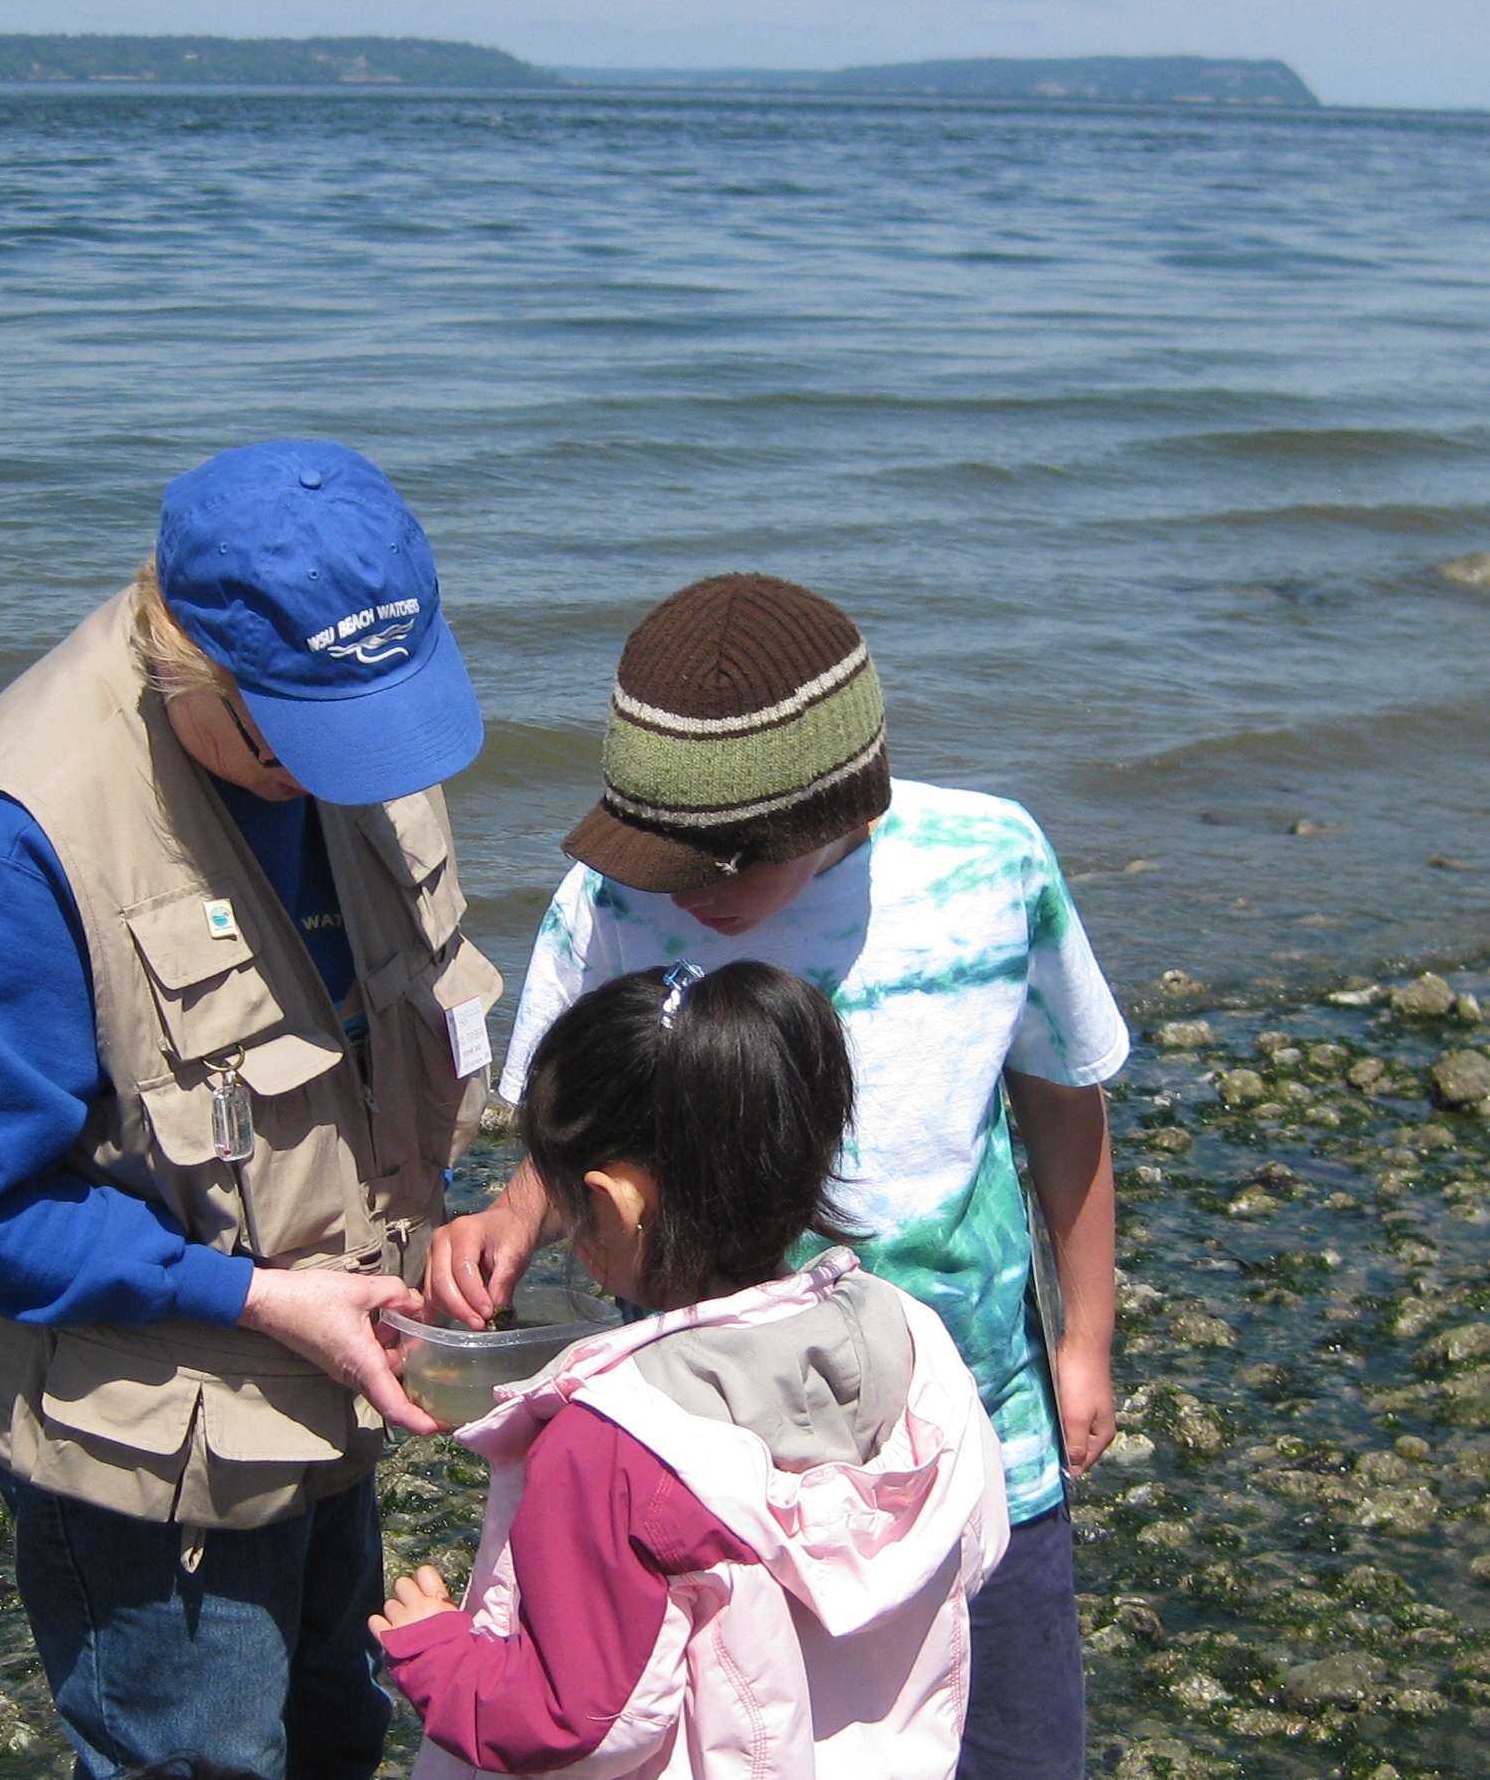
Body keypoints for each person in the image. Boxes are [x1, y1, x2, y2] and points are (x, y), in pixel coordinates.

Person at [0, 440, 502, 1780]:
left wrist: (446, 1213)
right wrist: (264, 1301)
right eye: (291, 743)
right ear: (184, 664)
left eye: (366, 731)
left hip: (335, 1380)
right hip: (148, 1438)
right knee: (197, 1753)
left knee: (336, 1720)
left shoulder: (351, 704)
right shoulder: (1, 834)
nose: (336, 773)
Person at [429, 573, 1127, 1780]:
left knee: (1012, 1740)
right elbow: (583, 1114)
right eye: (652, 856)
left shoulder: (991, 867)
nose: (678, 892)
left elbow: (1063, 1109)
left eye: (711, 867)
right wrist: (514, 1213)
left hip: (962, 1438)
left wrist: (1087, 1341)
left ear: (832, 810)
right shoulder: (614, 902)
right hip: (713, 1478)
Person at [376, 961, 1009, 1780]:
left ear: (609, 1204)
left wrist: (435, 1653)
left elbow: (577, 1723)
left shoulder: (613, 1443)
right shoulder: (915, 1339)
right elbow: (979, 1543)